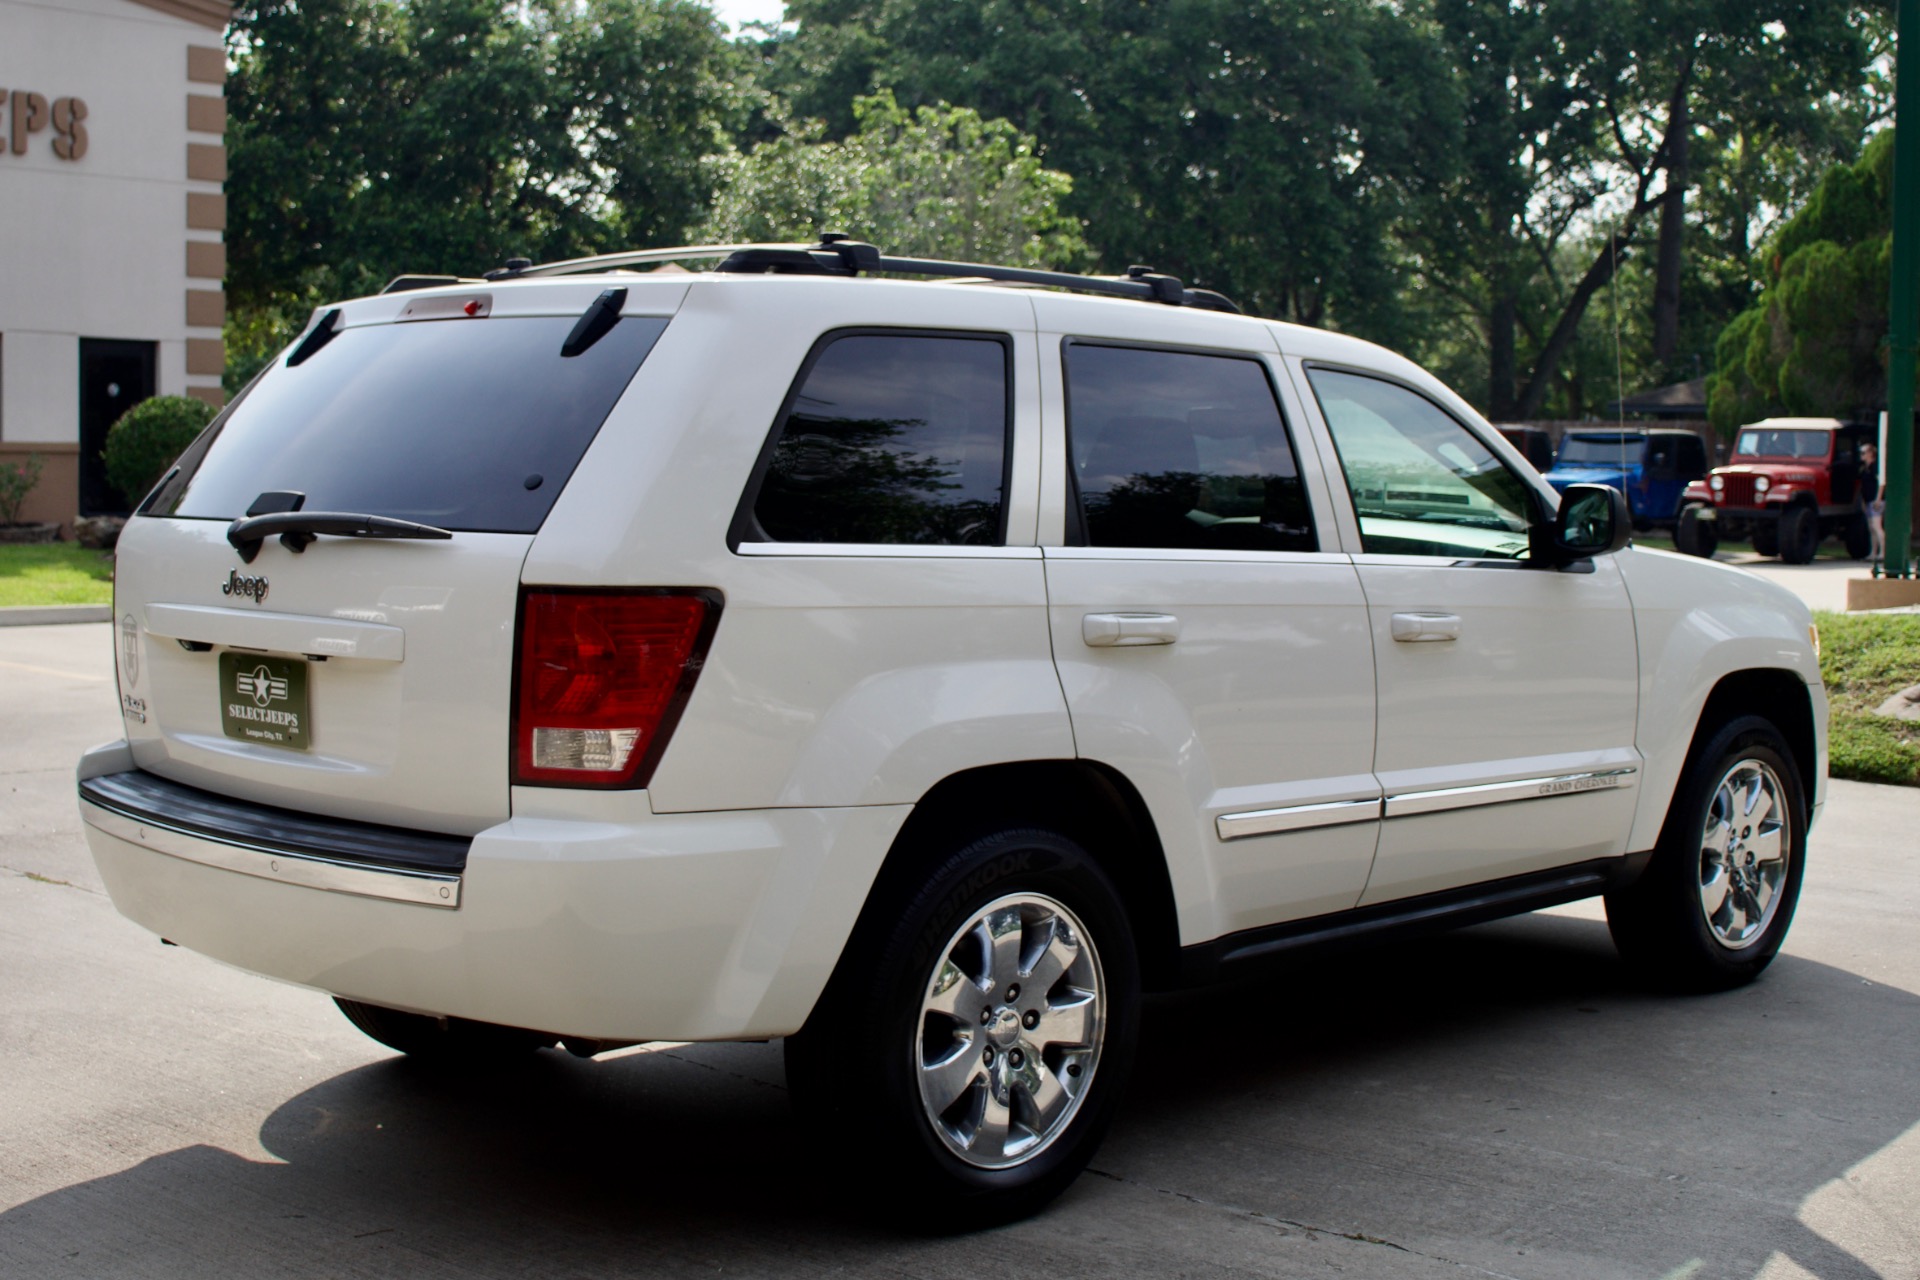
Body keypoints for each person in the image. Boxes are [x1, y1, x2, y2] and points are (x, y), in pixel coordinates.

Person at [1861, 441, 1886, 565]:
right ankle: (1873, 552)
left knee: (1877, 526)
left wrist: (1878, 498)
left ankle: (1883, 552)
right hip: (1868, 501)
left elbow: (1881, 484)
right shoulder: (1865, 469)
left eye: (1864, 452)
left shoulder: (1875, 467)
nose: (1862, 455)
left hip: (1876, 500)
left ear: (1871, 453)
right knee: (1871, 528)